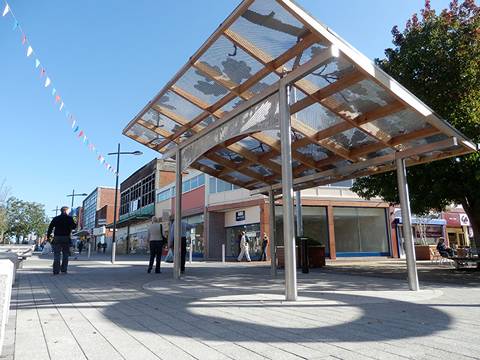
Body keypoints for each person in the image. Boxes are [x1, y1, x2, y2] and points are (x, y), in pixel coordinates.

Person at [46, 206, 76, 275]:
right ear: (66, 211)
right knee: (65, 254)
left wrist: (48, 237)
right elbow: (74, 226)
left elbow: (50, 227)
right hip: (66, 237)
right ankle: (64, 270)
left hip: (57, 237)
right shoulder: (69, 218)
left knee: (57, 254)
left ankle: (56, 271)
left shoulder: (56, 218)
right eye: (68, 211)